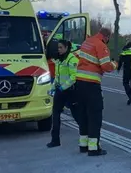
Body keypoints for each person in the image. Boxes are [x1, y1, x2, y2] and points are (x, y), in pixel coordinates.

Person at [76, 27, 117, 156]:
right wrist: (115, 64)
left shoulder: (87, 42)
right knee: (95, 116)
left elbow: (77, 57)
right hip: (91, 85)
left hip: (79, 83)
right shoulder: (101, 45)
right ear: (107, 36)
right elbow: (106, 66)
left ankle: (83, 145)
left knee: (83, 115)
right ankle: (93, 148)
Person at [47, 40, 80, 148]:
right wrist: (52, 88)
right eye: (58, 48)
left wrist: (63, 86)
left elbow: (74, 77)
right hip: (60, 91)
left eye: (61, 47)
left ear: (66, 48)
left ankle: (87, 134)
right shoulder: (60, 60)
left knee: (77, 115)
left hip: (70, 92)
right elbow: (57, 76)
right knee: (55, 114)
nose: (59, 50)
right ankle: (55, 140)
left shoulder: (72, 59)